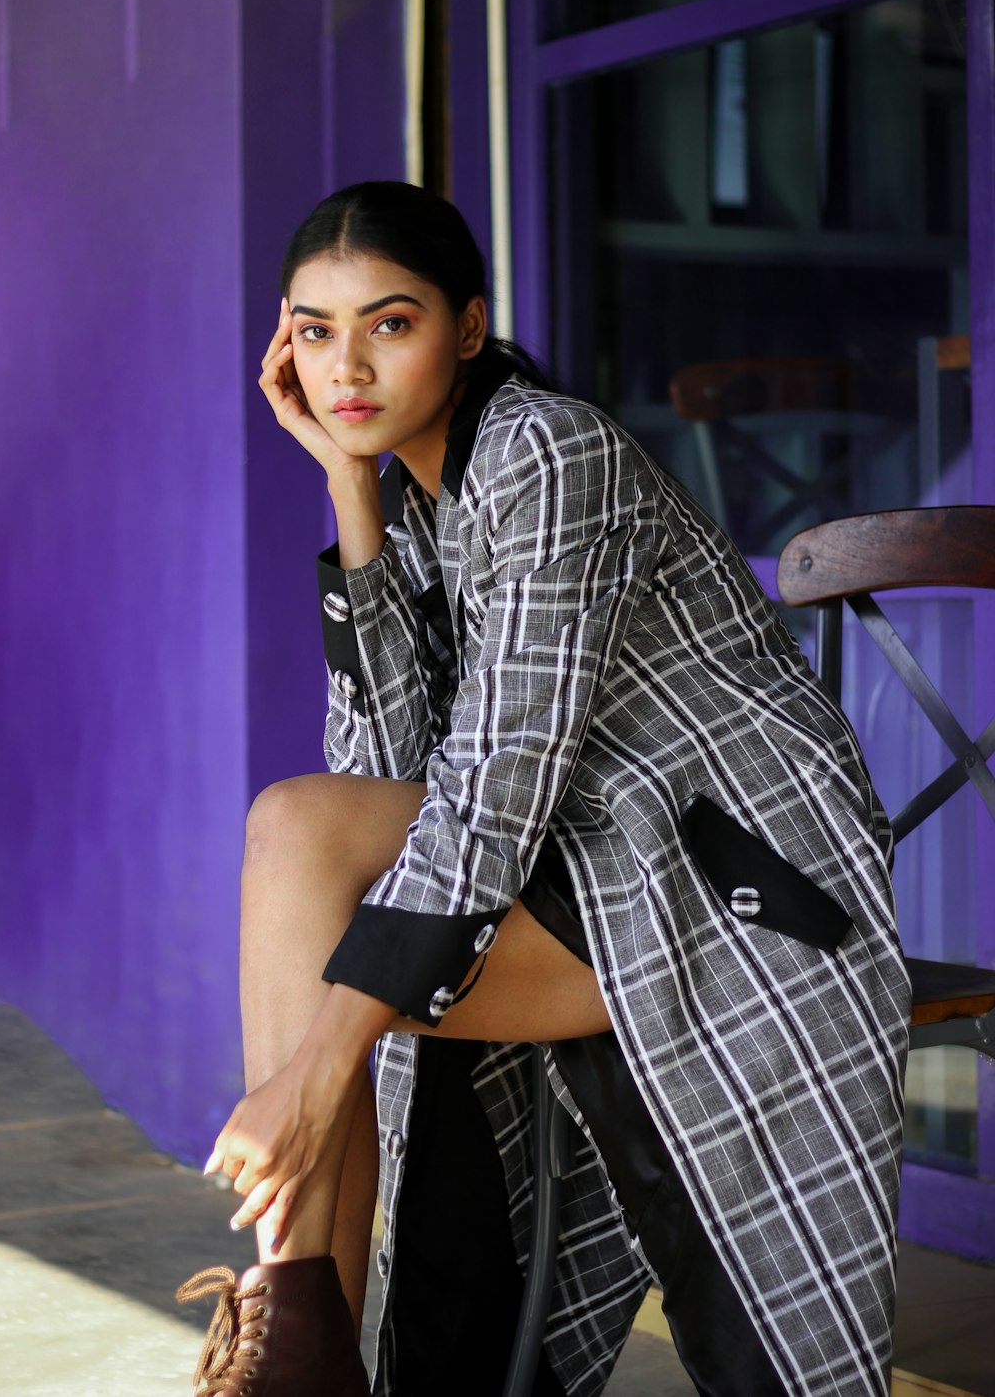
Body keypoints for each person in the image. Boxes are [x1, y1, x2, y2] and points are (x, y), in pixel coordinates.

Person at [177, 180, 910, 1397]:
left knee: (303, 871)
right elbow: (391, 784)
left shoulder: (547, 451)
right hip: (574, 877)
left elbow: (495, 787)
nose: (343, 367)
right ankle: (299, 1341)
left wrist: (312, 1080)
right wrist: (350, 495)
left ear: (468, 326)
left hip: (728, 895)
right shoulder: (408, 492)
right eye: (313, 331)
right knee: (299, 835)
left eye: (388, 323)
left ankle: (295, 1345)